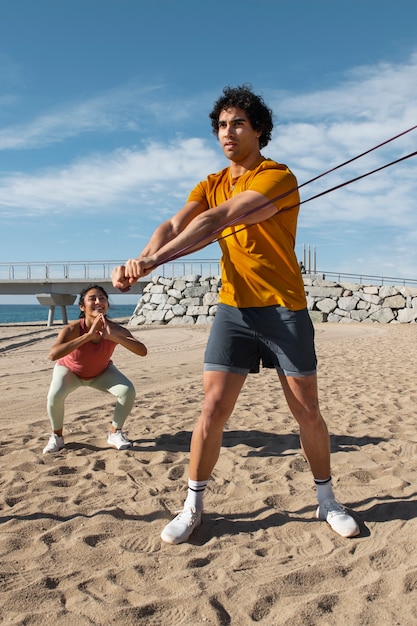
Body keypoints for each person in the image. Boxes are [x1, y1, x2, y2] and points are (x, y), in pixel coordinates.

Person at [112, 85, 360, 542]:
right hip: (234, 309)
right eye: (222, 125)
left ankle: (327, 500)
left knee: (306, 410)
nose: (227, 132)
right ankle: (193, 504)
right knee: (212, 408)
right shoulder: (210, 182)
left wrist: (152, 262)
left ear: (259, 130)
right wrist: (140, 260)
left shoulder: (277, 176)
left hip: (283, 307)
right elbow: (176, 223)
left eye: (238, 123)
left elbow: (217, 220)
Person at [43, 284, 147, 454]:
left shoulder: (115, 329)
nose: (98, 302)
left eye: (102, 298)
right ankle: (57, 437)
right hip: (70, 372)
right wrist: (87, 337)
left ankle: (115, 433)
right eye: (92, 299)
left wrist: (113, 337)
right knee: (54, 396)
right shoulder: (72, 329)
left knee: (127, 390)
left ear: (107, 304)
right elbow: (53, 355)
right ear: (82, 307)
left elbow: (142, 351)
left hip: (101, 372)